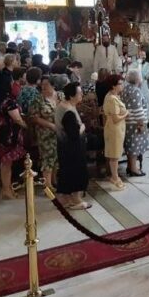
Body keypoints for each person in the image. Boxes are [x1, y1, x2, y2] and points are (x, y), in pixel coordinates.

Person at [56, 82, 91, 210]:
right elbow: (74, 134)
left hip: (65, 148)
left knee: (66, 172)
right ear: (71, 96)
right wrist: (82, 127)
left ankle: (65, 199)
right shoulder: (68, 111)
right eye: (79, 93)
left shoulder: (64, 105)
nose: (82, 95)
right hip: (72, 149)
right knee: (76, 172)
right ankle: (76, 200)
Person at [0, 87, 28, 199]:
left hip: (1, 132)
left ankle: (7, 188)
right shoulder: (9, 102)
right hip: (8, 134)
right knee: (6, 162)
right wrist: (26, 126)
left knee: (6, 162)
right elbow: (17, 118)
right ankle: (6, 190)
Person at [29, 76, 61, 191]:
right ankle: (47, 185)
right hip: (45, 133)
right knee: (48, 157)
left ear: (53, 85)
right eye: (42, 84)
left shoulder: (60, 96)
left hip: (60, 131)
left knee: (57, 157)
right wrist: (51, 125)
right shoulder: (38, 99)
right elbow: (34, 118)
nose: (43, 87)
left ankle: (54, 180)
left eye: (46, 84)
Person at [121, 69, 148, 177]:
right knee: (135, 147)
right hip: (135, 123)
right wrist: (141, 124)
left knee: (129, 145)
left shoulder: (125, 88)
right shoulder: (135, 91)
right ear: (137, 79)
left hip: (128, 122)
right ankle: (133, 169)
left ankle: (129, 166)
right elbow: (137, 109)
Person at [103, 74, 128, 190]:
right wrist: (127, 113)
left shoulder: (114, 96)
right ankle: (115, 177)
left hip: (117, 129)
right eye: (120, 84)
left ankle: (115, 176)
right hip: (114, 129)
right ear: (113, 86)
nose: (122, 85)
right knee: (114, 155)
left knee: (116, 154)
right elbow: (116, 118)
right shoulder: (112, 99)